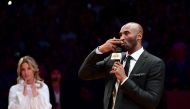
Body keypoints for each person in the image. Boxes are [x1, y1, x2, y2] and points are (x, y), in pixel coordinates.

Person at [78, 22, 165, 109]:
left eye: (126, 33)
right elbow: (84, 74)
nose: (122, 38)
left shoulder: (154, 63)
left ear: (139, 36)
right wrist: (100, 50)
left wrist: (124, 79)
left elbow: (152, 102)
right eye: (120, 35)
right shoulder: (113, 58)